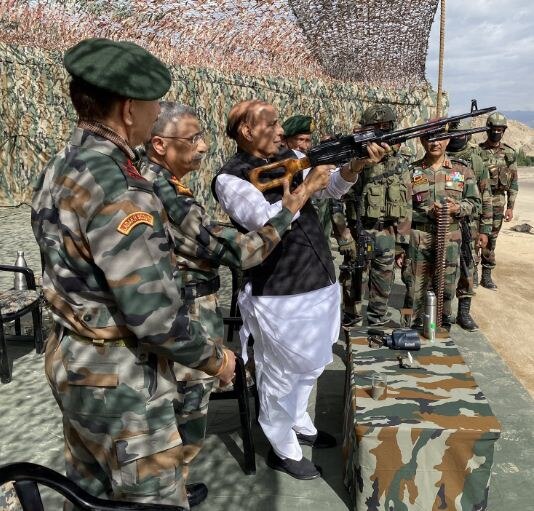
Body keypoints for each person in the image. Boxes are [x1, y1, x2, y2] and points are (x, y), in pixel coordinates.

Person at [31, 39, 232, 510]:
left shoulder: (59, 167)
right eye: (154, 103)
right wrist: (216, 359)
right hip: (122, 381)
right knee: (151, 501)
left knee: (88, 492)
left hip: (72, 362)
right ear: (128, 109)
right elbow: (155, 319)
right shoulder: (123, 190)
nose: (156, 111)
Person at [140, 102, 311, 498]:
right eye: (193, 138)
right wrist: (287, 211)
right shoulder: (165, 190)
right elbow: (241, 252)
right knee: (186, 411)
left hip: (176, 315)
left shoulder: (155, 180)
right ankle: (170, 492)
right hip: (185, 318)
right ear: (161, 145)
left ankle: (173, 486)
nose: (203, 147)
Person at [212, 99, 387, 479]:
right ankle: (281, 446)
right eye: (272, 124)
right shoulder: (230, 178)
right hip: (279, 291)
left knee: (312, 364)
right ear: (246, 131)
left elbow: (333, 189)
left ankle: (300, 423)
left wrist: (355, 165)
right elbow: (263, 223)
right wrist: (307, 185)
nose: (280, 131)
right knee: (279, 373)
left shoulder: (290, 156)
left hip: (318, 280)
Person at [332, 105, 412, 327]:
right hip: (358, 232)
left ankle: (376, 324)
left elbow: (406, 205)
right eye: (374, 128)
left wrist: (402, 244)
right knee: (353, 284)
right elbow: (336, 201)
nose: (380, 132)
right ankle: (351, 324)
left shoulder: (401, 161)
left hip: (386, 233)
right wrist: (344, 237)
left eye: (385, 128)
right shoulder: (352, 158)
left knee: (383, 284)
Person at [406, 127, 481, 329]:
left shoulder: (462, 171)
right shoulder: (411, 171)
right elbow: (402, 210)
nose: (435, 143)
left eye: (440, 138)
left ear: (447, 140)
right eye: (429, 138)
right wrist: (426, 213)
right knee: (413, 289)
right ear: (421, 141)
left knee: (446, 288)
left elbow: (475, 203)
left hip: (450, 239)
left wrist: (457, 208)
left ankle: (443, 328)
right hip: (419, 238)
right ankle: (409, 328)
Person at [446, 120, 493, 331]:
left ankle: (463, 312)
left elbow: (485, 196)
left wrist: (485, 230)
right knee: (441, 267)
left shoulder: (476, 161)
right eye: (454, 134)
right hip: (442, 224)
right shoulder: (439, 153)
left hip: (469, 224)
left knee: (467, 267)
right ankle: (441, 310)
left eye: (461, 134)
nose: (457, 137)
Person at [477, 112, 519, 290]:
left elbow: (514, 182)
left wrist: (510, 207)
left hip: (497, 203)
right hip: (478, 202)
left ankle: (486, 275)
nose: (496, 132)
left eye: (500, 129)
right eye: (493, 129)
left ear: (503, 131)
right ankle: (470, 275)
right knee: (472, 238)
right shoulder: (477, 151)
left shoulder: (509, 153)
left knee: (491, 240)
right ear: (488, 129)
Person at [281, 114, 333, 245]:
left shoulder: (309, 161)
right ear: (285, 141)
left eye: (308, 140)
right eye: (300, 140)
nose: (305, 146)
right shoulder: (280, 164)